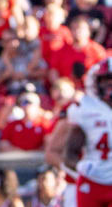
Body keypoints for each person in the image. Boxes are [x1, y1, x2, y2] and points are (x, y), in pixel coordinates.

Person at [64, 58, 112, 207]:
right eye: (106, 79)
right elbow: (69, 155)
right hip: (93, 181)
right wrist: (81, 166)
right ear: (97, 82)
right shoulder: (86, 110)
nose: (110, 85)